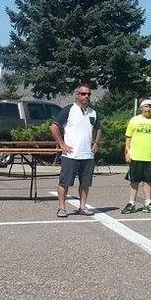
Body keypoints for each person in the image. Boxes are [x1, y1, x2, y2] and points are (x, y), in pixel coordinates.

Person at [51, 83, 102, 217]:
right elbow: (54, 127)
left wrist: (96, 143)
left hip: (87, 155)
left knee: (85, 183)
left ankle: (83, 206)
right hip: (71, 155)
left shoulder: (93, 112)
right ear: (77, 95)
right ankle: (62, 208)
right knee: (65, 182)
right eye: (83, 94)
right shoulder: (68, 110)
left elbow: (99, 128)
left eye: (88, 94)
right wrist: (62, 144)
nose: (86, 96)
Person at [122, 98, 151, 213]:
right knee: (134, 181)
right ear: (141, 108)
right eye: (146, 106)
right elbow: (128, 137)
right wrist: (127, 153)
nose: (148, 109)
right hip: (136, 156)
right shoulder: (134, 120)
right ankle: (131, 203)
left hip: (149, 156)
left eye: (150, 107)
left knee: (148, 181)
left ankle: (148, 203)